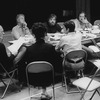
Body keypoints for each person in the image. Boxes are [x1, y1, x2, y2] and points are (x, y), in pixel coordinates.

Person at [14, 22, 62, 100]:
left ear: (33, 35)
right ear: (45, 34)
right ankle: (44, 92)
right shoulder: (50, 48)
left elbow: (22, 64)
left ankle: (44, 93)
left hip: (32, 79)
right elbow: (57, 63)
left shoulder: (29, 49)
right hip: (49, 78)